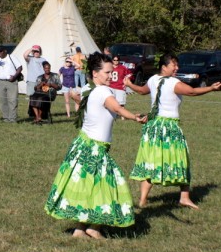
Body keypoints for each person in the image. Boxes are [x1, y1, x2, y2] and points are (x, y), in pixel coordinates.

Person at [45, 52, 147, 239]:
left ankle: (80, 229)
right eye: (107, 72)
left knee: (88, 188)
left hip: (84, 145)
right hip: (94, 149)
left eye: (111, 72)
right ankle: (94, 227)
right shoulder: (102, 91)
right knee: (111, 185)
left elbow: (78, 97)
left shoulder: (90, 89)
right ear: (95, 73)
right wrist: (134, 117)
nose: (110, 75)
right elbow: (115, 107)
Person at [124, 54, 221, 210]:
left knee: (152, 162)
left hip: (153, 126)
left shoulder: (153, 79)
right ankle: (184, 197)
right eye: (174, 65)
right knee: (181, 160)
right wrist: (211, 88)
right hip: (168, 127)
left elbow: (141, 91)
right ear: (164, 67)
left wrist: (129, 84)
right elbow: (191, 91)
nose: (177, 68)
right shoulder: (173, 83)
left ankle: (143, 200)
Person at [0, 46, 22, 123]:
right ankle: (6, 118)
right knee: (2, 101)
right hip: (1, 82)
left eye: (0, 52)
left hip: (12, 81)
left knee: (12, 100)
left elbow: (20, 67)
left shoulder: (11, 57)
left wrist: (14, 76)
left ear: (5, 51)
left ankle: (13, 119)